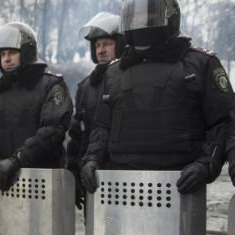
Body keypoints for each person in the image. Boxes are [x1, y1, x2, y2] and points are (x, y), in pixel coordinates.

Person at [81, 0, 233, 196]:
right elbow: (102, 127)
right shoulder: (115, 72)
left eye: (150, 17)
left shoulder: (200, 63)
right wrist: (92, 158)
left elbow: (224, 122)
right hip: (122, 183)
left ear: (171, 17)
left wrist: (206, 164)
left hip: (180, 183)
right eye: (135, 18)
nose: (142, 23)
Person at [0, 22, 73, 192]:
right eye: (2, 54)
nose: (6, 59)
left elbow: (53, 129)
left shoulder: (50, 85)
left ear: (26, 52)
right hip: (0, 180)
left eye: (11, 53)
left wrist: (18, 159)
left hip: (42, 181)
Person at [67, 12, 124, 210]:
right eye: (97, 45)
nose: (101, 50)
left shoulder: (130, 81)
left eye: (107, 43)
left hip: (123, 174)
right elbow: (77, 136)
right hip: (92, 176)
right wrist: (73, 175)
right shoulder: (85, 87)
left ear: (120, 43)